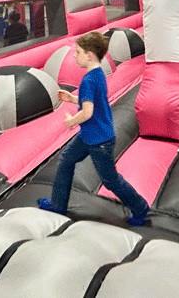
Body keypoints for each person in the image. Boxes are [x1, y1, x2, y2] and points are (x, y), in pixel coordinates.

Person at [37, 32, 149, 225]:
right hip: (90, 136)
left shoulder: (89, 80)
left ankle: (140, 207)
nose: (74, 56)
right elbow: (95, 103)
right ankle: (58, 205)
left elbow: (88, 112)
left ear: (89, 55)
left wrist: (71, 121)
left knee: (110, 179)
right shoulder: (98, 74)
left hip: (99, 140)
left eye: (78, 52)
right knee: (65, 161)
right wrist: (72, 99)